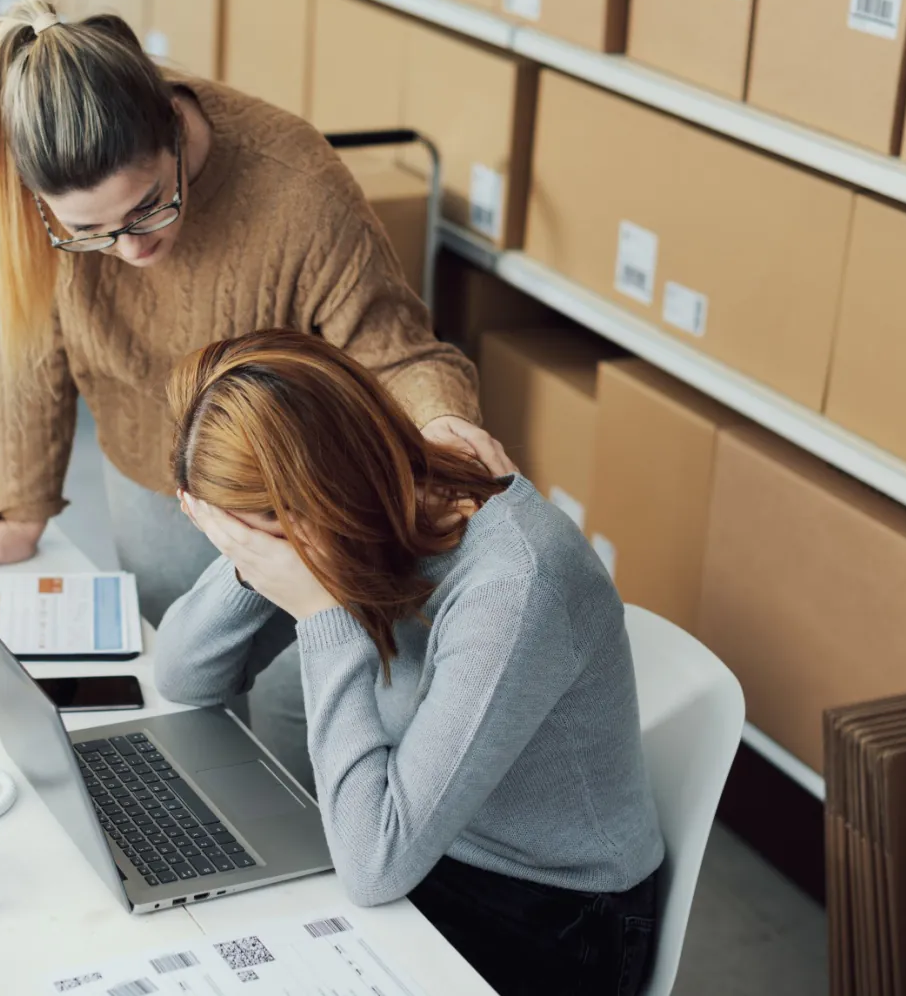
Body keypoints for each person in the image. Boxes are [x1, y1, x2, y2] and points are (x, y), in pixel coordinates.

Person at [0, 0, 508, 781]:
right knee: (183, 713)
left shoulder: (295, 185)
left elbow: (394, 349)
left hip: (296, 497)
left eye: (150, 205)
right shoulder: (36, 193)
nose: (132, 247)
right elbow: (30, 341)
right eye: (92, 232)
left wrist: (442, 422)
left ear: (176, 130)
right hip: (147, 477)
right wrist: (20, 508)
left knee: (299, 731)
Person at [156, 329, 665, 996]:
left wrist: (319, 614)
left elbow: (374, 867)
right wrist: (249, 560)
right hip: (417, 838)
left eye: (261, 529)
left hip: (550, 913)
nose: (251, 548)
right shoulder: (366, 510)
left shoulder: (514, 585)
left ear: (325, 496)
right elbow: (182, 676)